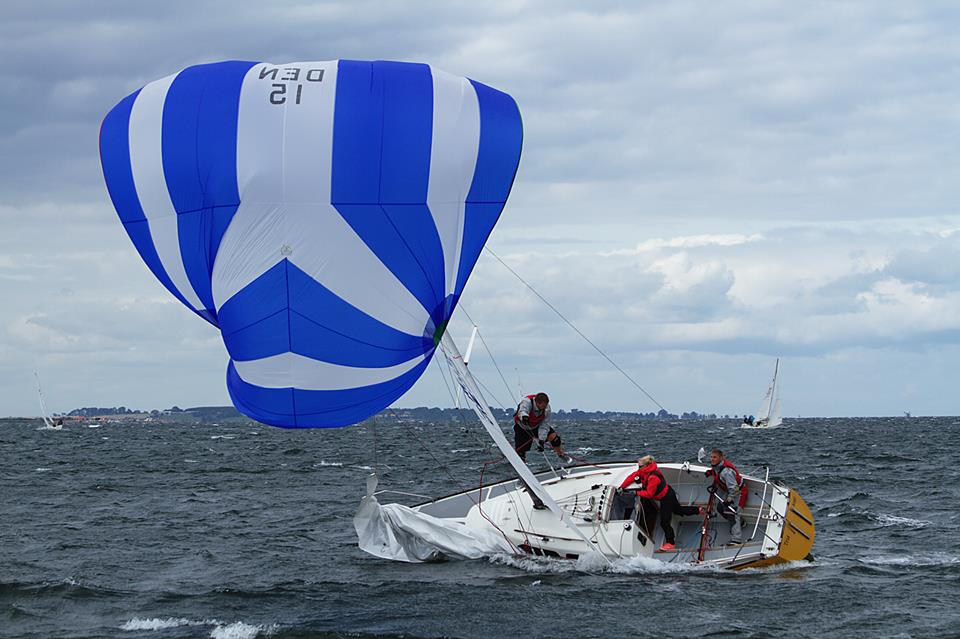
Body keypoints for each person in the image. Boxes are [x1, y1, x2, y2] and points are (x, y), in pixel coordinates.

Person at [617, 455, 701, 551]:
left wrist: (636, 493)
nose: (638, 468)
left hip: (666, 498)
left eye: (640, 466)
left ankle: (670, 543)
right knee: (678, 510)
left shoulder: (653, 477)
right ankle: (698, 510)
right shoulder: (643, 471)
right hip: (668, 492)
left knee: (664, 522)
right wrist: (622, 487)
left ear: (646, 466)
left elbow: (649, 494)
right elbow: (632, 477)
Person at [705, 448, 747, 544]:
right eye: (711, 457)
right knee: (720, 507)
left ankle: (736, 539)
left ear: (721, 458)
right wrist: (710, 472)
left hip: (738, 493)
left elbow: (734, 488)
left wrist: (729, 499)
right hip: (728, 491)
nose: (712, 459)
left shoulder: (726, 472)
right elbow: (716, 472)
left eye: (715, 457)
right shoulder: (717, 467)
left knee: (733, 513)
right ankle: (741, 523)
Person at [513, 393, 564, 461]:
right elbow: (522, 410)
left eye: (546, 405)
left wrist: (541, 440)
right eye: (543, 406)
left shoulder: (547, 409)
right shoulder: (527, 401)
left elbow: (544, 425)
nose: (545, 408)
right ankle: (521, 466)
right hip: (522, 428)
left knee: (555, 439)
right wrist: (524, 417)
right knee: (520, 452)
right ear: (537, 403)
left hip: (536, 426)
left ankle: (561, 455)